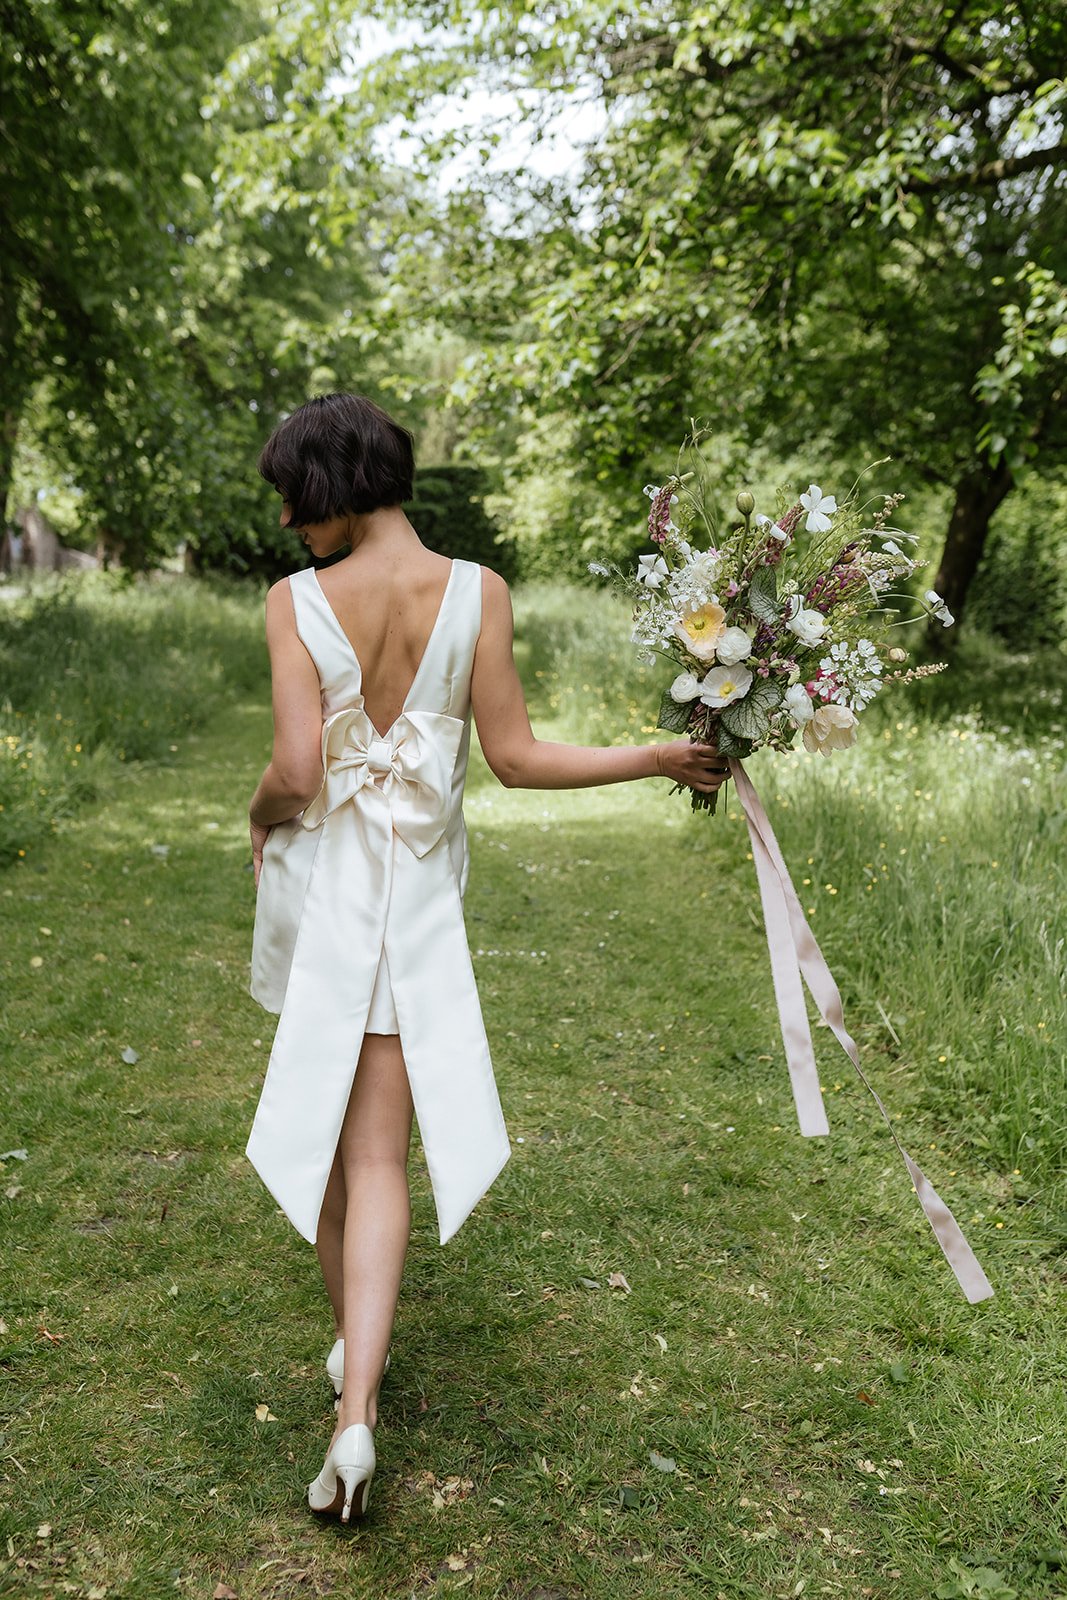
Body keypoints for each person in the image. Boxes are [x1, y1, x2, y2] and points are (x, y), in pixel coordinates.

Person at [244, 392, 727, 1523]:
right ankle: (354, 1392)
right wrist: (654, 753)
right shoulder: (479, 593)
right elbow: (512, 758)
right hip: (411, 902)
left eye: (291, 495)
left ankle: (353, 1388)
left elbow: (296, 770)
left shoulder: (293, 603)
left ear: (332, 485)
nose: (283, 518)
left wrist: (255, 814)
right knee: (376, 1157)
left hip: (326, 897)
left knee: (333, 1145)